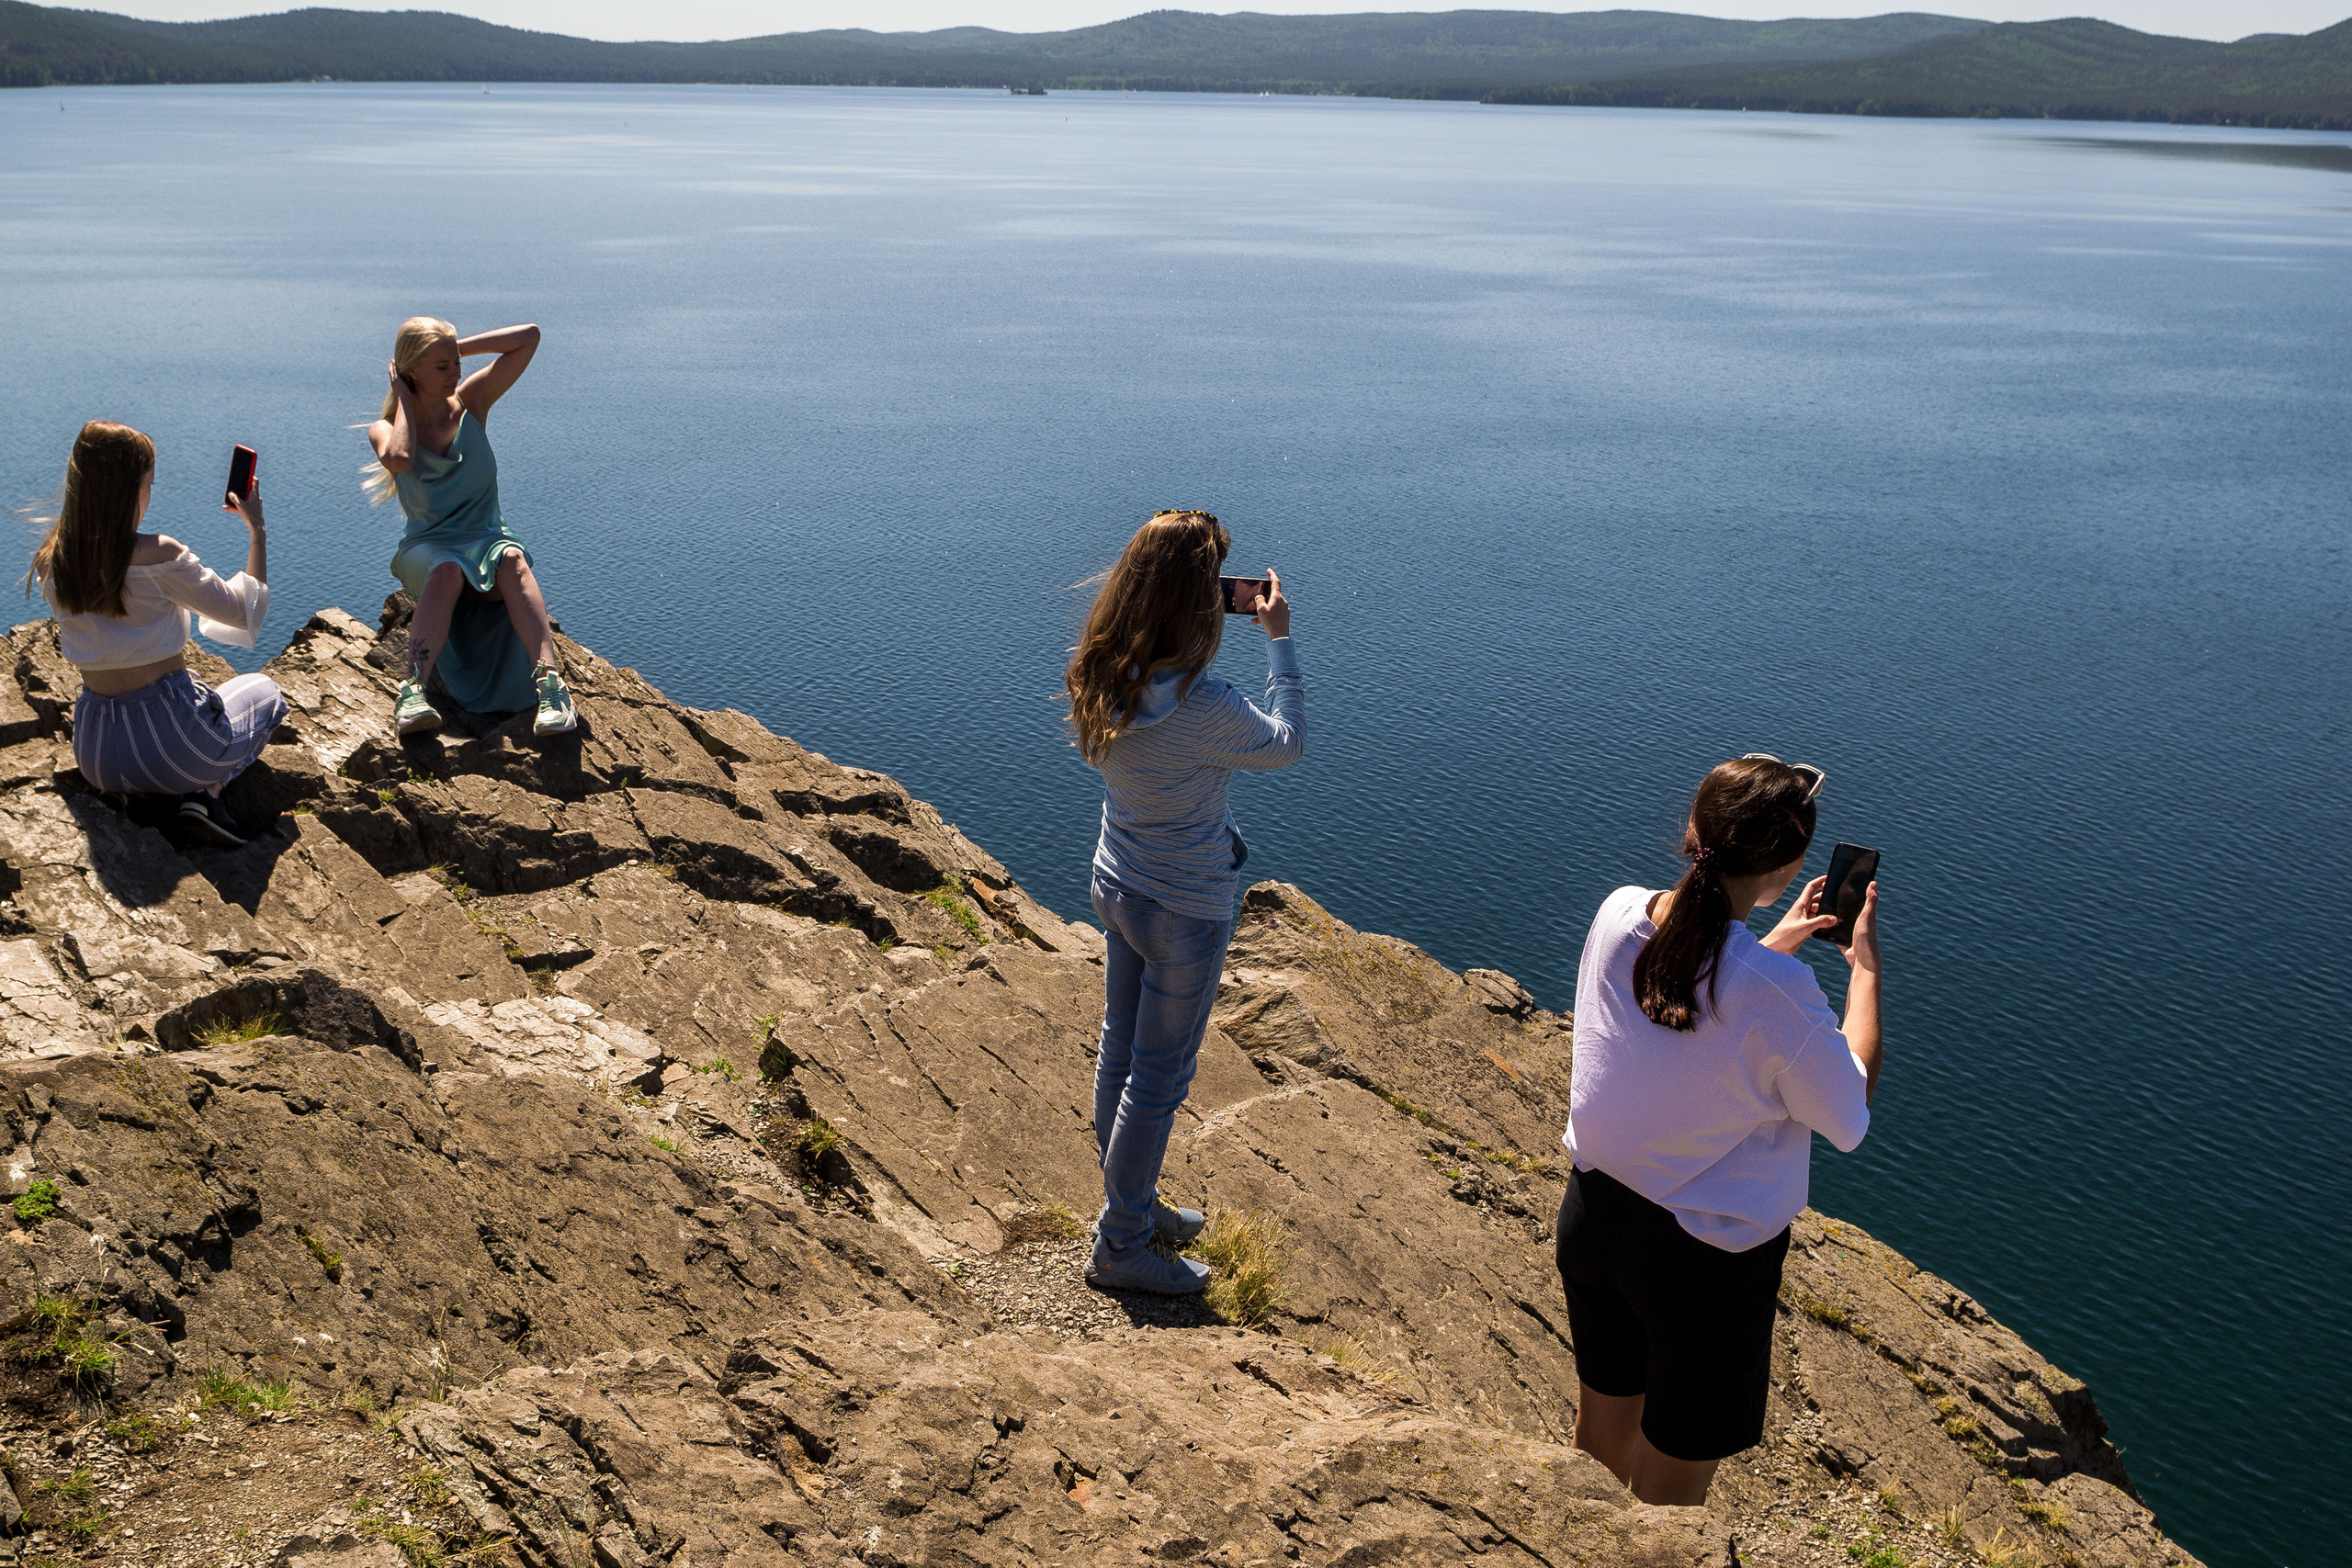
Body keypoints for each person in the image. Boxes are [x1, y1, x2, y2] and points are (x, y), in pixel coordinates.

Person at [1556, 753, 1883, 1505]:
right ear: (1792, 864)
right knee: (1669, 1500)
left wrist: (1772, 948)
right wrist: (1863, 968)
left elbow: (1685, 1016)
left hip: (1596, 1218)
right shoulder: (1775, 994)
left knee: (1597, 1442)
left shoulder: (1619, 911)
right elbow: (1849, 1113)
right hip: (1699, 1268)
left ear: (1694, 830)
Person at [1065, 510, 1305, 1295]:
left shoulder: (1103, 670)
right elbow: (1287, 744)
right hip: (1185, 909)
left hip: (1117, 881)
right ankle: (1123, 1241)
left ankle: (1129, 1203)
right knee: (1159, 1079)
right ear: (1199, 605)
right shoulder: (1207, 706)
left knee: (1120, 1053)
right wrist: (1279, 637)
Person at [28, 421, 285, 847]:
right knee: (265, 691)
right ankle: (204, 795)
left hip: (96, 753)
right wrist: (256, 530)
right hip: (175, 744)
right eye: (148, 484)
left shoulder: (52, 561)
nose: (149, 494)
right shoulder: (161, 555)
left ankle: (140, 799)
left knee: (154, 746)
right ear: (130, 489)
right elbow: (242, 614)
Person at [364, 316, 575, 738]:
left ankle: (551, 689)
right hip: (429, 547)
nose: (455, 373)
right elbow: (401, 458)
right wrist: (405, 401)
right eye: (441, 367)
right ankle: (413, 691)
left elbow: (529, 337)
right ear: (410, 372)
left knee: (512, 558)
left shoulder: (472, 402)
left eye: (455, 363)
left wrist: (456, 347)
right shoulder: (384, 430)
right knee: (446, 571)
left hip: (486, 538)